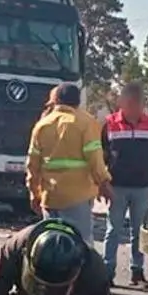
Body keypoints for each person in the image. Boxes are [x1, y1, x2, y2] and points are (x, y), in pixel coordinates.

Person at [101, 82, 148, 287]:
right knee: (113, 230)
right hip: (117, 187)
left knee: (139, 231)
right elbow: (101, 157)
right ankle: (107, 272)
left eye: (139, 103)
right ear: (123, 102)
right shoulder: (110, 123)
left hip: (143, 187)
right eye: (131, 102)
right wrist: (101, 184)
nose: (135, 107)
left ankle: (137, 272)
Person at [26, 82, 112, 236]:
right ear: (78, 102)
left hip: (50, 197)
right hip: (77, 198)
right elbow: (95, 159)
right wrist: (104, 184)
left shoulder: (42, 125)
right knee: (80, 244)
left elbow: (33, 165)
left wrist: (34, 193)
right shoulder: (86, 123)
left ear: (57, 100)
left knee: (51, 245)